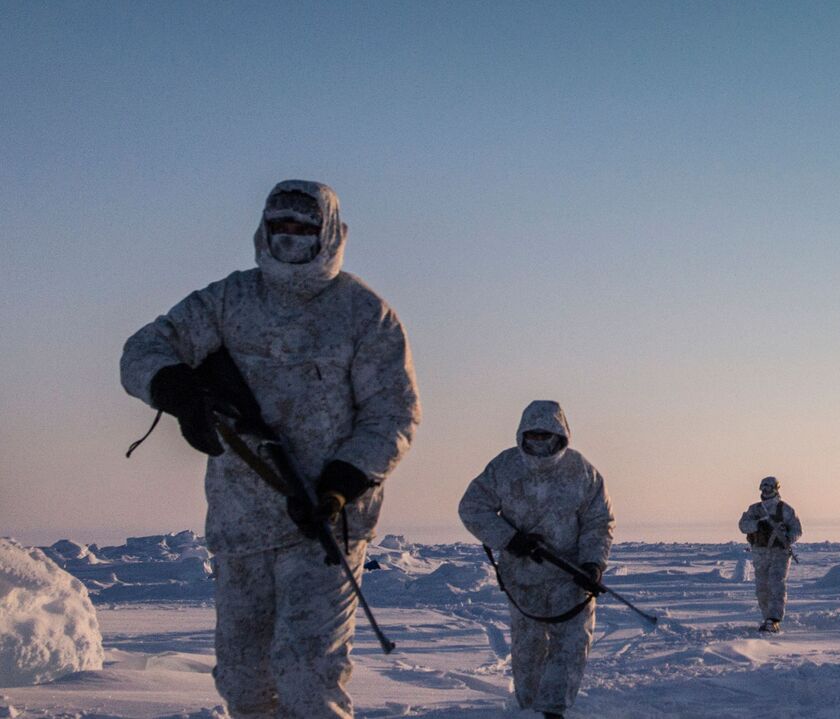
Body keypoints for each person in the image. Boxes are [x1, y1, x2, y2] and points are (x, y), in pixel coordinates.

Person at [120, 180, 420, 718]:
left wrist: (340, 485)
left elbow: (392, 416)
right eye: (279, 226)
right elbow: (144, 349)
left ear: (326, 233)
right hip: (241, 524)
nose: (289, 238)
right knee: (243, 677)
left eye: (303, 228)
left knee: (307, 674)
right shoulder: (227, 300)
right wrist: (179, 392)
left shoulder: (365, 313)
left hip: (325, 525)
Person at [458, 400, 615, 719]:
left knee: (570, 647)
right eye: (534, 433)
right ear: (523, 433)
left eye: (547, 433)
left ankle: (553, 711)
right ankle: (529, 710)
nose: (540, 440)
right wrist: (512, 540)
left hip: (571, 579)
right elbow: (473, 508)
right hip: (523, 580)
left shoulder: (582, 471)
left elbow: (598, 521)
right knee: (528, 651)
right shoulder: (504, 468)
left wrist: (592, 564)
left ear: (560, 433)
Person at [737, 476, 801, 632]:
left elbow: (797, 530)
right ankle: (767, 618)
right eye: (763, 487)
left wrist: (786, 537)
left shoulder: (785, 509)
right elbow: (743, 525)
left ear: (776, 489)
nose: (765, 490)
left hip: (779, 553)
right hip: (760, 553)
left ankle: (774, 619)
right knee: (762, 588)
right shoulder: (755, 509)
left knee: (776, 584)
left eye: (769, 487)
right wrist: (757, 525)